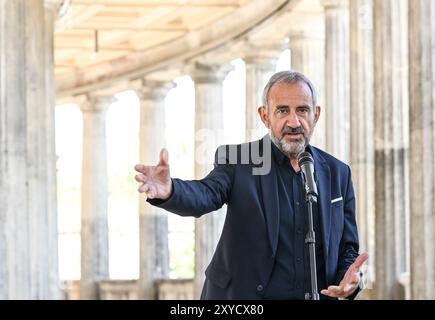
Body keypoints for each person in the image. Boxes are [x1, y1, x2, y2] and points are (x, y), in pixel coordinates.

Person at [134, 70, 368, 300]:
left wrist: (350, 282)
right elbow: (205, 194)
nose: (294, 121)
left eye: (302, 110)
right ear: (265, 116)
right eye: (282, 110)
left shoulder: (338, 173)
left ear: (315, 115)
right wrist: (171, 191)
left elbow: (347, 248)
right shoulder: (239, 160)